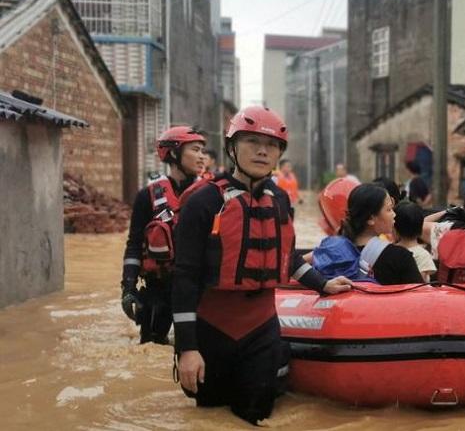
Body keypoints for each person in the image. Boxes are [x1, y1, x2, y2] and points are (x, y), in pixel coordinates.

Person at [171, 106, 352, 425]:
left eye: (271, 145)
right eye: (252, 141)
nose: (261, 150)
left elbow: (287, 257)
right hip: (212, 330)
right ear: (232, 147)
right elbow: (184, 277)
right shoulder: (202, 202)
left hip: (262, 331)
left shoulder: (280, 200)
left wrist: (322, 284)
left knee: (255, 417)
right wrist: (187, 348)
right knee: (211, 418)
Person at [121, 126, 206, 345]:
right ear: (174, 153)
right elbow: (134, 245)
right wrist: (128, 288)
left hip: (198, 289)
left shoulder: (210, 195)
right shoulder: (146, 197)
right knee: (151, 346)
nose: (202, 156)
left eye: (202, 151)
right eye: (195, 150)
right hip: (159, 288)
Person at [311, 184, 423, 284]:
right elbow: (420, 299)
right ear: (371, 218)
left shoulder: (330, 251)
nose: (394, 214)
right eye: (389, 210)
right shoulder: (400, 258)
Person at [393, 201, 436, 282]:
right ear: (421, 227)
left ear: (395, 228)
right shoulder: (423, 255)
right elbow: (420, 281)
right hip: (416, 293)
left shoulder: (390, 250)